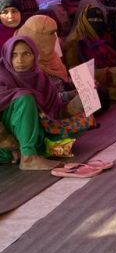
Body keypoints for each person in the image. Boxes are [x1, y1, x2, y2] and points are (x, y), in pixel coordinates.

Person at [0, 36, 94, 167]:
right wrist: (10, 145)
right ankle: (29, 158)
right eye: (13, 55)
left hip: (30, 137)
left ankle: (33, 150)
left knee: (82, 123)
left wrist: (81, 98)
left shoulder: (40, 78)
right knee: (24, 97)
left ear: (35, 55)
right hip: (4, 143)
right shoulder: (2, 76)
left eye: (26, 54)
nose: (19, 60)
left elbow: (55, 112)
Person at [16, 15, 70, 91]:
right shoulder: (24, 67)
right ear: (35, 36)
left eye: (55, 32)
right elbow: (41, 99)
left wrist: (71, 83)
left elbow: (63, 80)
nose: (55, 37)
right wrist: (71, 95)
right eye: (50, 33)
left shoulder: (51, 55)